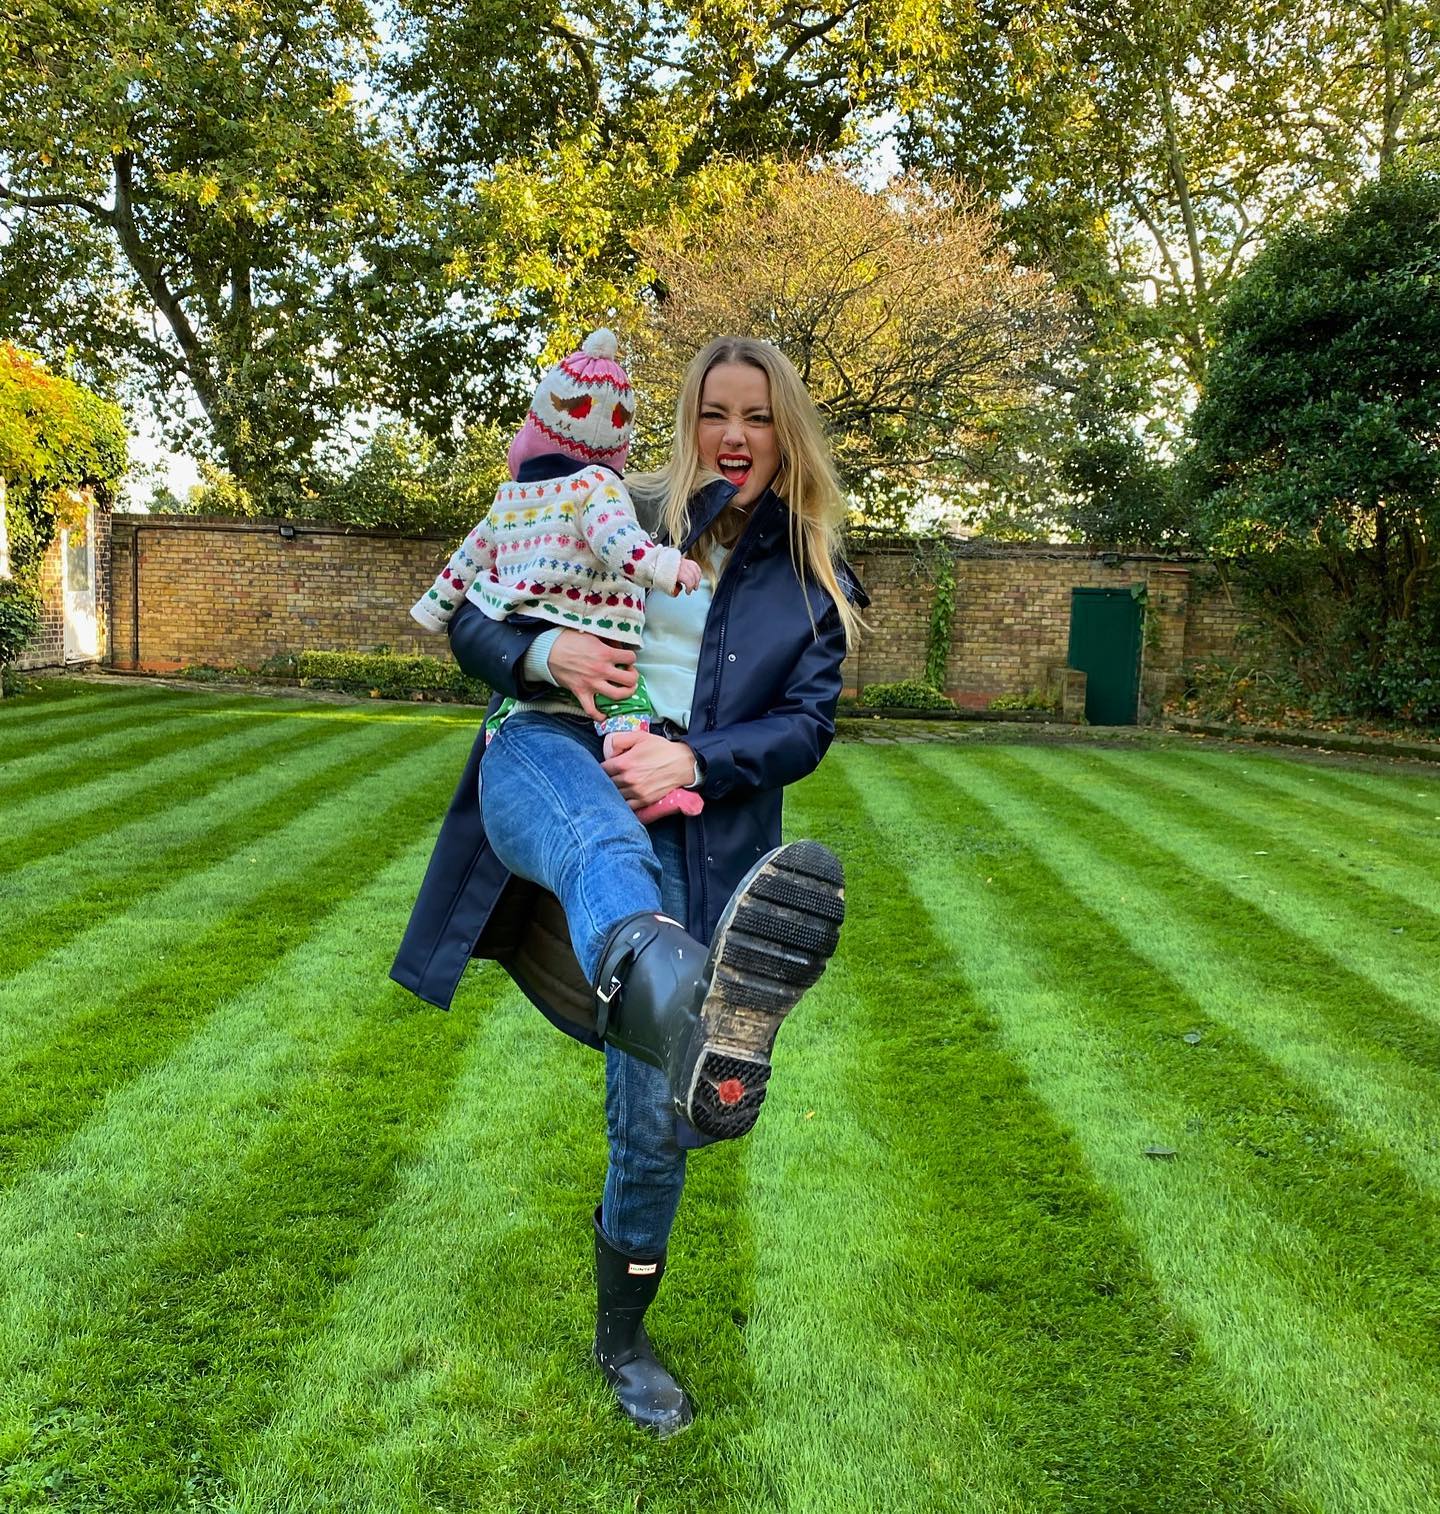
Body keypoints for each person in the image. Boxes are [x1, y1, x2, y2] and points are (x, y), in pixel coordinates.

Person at [392, 335, 869, 1437]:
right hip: (547, 752)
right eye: (715, 412)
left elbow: (806, 727)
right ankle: (698, 1005)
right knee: (608, 863)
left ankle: (625, 1332)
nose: (734, 437)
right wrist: (542, 653)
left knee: (652, 1123)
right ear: (689, 422)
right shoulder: (611, 504)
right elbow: (468, 613)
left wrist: (694, 758)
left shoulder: (814, 574)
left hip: (694, 833)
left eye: (756, 415)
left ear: (784, 428)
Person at [409, 328, 704, 824]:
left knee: (520, 713)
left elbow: (465, 562)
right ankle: (648, 790)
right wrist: (669, 568)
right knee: (627, 707)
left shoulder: (511, 498)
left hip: (526, 626)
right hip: (597, 633)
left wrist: (432, 608)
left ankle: (506, 737)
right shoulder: (599, 486)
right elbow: (620, 544)